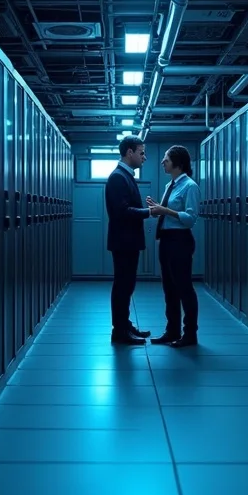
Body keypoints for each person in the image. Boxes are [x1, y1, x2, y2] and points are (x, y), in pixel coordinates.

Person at [147, 145, 200, 348]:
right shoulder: (171, 185)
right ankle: (172, 331)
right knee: (169, 288)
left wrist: (166, 211)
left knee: (184, 288)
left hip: (180, 241)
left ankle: (190, 334)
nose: (162, 163)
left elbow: (190, 219)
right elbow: (168, 212)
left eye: (166, 160)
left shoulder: (190, 186)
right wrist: (158, 208)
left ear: (178, 163)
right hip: (167, 241)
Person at [104, 135, 154, 345]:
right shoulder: (118, 177)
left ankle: (124, 325)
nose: (145, 157)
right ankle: (120, 330)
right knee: (123, 285)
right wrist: (149, 212)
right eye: (141, 152)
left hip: (128, 240)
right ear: (129, 152)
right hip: (124, 241)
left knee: (127, 285)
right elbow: (121, 212)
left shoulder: (126, 175)